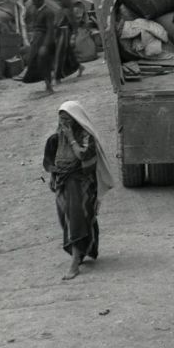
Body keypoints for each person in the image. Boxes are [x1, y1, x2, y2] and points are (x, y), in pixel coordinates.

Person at [43, 100, 115, 280]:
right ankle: (82, 250)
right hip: (63, 184)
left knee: (77, 218)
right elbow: (50, 161)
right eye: (61, 119)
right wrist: (53, 177)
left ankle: (75, 262)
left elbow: (84, 155)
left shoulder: (85, 137)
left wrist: (71, 138)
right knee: (66, 219)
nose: (63, 124)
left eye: (67, 119)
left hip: (82, 184)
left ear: (76, 119)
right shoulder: (54, 139)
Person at [22, 0, 57, 94]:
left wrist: (45, 45)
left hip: (44, 40)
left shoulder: (48, 12)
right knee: (36, 63)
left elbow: (50, 29)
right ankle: (47, 85)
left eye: (35, 1)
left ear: (41, 0)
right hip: (37, 41)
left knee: (44, 64)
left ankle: (49, 87)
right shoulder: (37, 11)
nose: (33, 3)